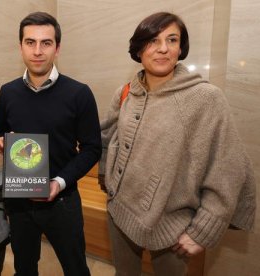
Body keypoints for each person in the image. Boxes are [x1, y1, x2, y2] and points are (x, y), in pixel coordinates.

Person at [99, 12, 257, 276]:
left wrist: (202, 231)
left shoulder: (206, 99)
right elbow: (107, 137)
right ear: (138, 49)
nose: (163, 48)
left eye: (172, 40)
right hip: (119, 215)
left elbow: (228, 169)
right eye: (152, 41)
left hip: (172, 227)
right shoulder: (126, 91)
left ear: (181, 48)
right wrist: (106, 177)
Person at [0, 11, 101, 276]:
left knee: (76, 268)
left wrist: (59, 182)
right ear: (20, 47)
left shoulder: (79, 93)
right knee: (24, 267)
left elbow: (92, 148)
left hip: (62, 201)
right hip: (19, 201)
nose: (37, 51)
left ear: (58, 48)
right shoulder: (8, 92)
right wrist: (1, 142)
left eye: (46, 43)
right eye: (30, 42)